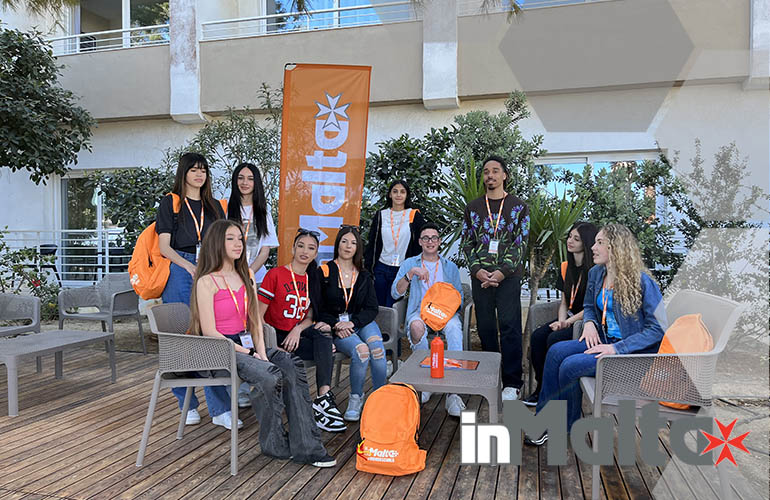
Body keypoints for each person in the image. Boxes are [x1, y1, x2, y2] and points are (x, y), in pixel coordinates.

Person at [190, 219, 336, 467]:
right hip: (218, 348)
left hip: (246, 342)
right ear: (216, 243)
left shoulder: (245, 275)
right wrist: (250, 353)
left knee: (290, 364)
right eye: (230, 239)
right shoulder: (206, 281)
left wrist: (262, 354)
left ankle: (308, 448)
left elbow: (256, 322)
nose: (238, 244)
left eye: (240, 238)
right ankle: (275, 444)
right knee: (269, 375)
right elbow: (210, 331)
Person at [526, 224, 666, 445]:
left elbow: (658, 328)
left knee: (570, 366)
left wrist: (616, 348)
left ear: (616, 248)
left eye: (600, 243)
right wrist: (590, 323)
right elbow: (590, 306)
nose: (593, 247)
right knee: (555, 351)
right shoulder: (597, 273)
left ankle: (565, 426)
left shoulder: (642, 281)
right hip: (604, 339)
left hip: (630, 354)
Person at [156, 152, 237, 429]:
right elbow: (163, 246)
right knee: (180, 334)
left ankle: (220, 408)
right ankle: (186, 403)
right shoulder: (171, 202)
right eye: (193, 170)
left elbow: (224, 242)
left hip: (210, 267)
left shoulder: (214, 205)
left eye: (203, 170)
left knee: (211, 332)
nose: (199, 174)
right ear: (184, 173)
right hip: (180, 266)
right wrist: (188, 266)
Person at [258, 229, 346, 433]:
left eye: (311, 248)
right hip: (275, 335)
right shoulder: (275, 274)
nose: (305, 251)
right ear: (292, 249)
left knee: (323, 335)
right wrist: (271, 345)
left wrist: (297, 330)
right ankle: (319, 404)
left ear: (316, 254)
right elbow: (258, 317)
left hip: (295, 336)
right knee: (324, 347)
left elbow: (309, 317)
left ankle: (323, 397)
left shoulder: (312, 280)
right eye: (301, 246)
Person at [461, 155, 529, 401]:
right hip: (480, 277)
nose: (490, 175)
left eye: (495, 170)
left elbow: (521, 243)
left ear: (504, 175)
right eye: (486, 171)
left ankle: (512, 382)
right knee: (486, 327)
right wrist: (477, 270)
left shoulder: (519, 207)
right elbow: (467, 242)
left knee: (510, 326)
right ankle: (491, 377)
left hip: (508, 277)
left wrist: (501, 272)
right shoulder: (473, 208)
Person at [391, 222, 466, 416]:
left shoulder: (450, 267)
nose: (430, 241)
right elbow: (395, 292)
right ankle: (426, 383)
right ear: (420, 242)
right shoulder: (410, 263)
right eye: (425, 238)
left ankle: (453, 392)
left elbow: (459, 296)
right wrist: (410, 274)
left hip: (444, 312)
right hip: (420, 311)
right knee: (416, 327)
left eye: (434, 238)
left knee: (454, 329)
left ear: (439, 242)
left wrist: (447, 308)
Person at [523, 221, 598, 407]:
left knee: (554, 339)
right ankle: (541, 387)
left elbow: (592, 307)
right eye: (570, 237)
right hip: (569, 316)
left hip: (585, 320)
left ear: (586, 243)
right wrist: (562, 320)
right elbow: (564, 302)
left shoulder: (595, 271)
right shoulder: (565, 267)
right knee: (538, 337)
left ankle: (556, 393)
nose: (570, 241)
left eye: (576, 239)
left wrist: (567, 322)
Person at [318, 225, 387, 421]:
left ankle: (380, 399)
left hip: (361, 322)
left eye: (353, 243)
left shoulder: (363, 275)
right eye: (344, 241)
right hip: (337, 326)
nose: (348, 246)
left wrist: (353, 322)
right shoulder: (324, 271)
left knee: (377, 350)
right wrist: (335, 325)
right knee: (361, 351)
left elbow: (372, 308)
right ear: (337, 244)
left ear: (358, 248)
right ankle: (356, 398)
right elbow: (318, 307)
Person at [227, 162, 279, 408]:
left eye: (250, 178)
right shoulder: (227, 209)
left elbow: (265, 250)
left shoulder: (262, 212)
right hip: (230, 279)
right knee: (234, 328)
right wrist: (235, 273)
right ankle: (237, 387)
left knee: (253, 328)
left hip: (254, 278)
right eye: (240, 178)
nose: (245, 182)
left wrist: (249, 273)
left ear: (256, 183)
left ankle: (255, 380)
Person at [364, 180, 425, 307]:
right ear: (390, 194)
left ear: (407, 195)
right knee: (379, 307)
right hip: (381, 267)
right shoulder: (381, 215)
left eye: (402, 192)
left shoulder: (413, 215)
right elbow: (372, 242)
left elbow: (420, 243)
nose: (398, 195)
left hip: (402, 269)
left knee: (393, 307)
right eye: (395, 191)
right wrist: (369, 268)